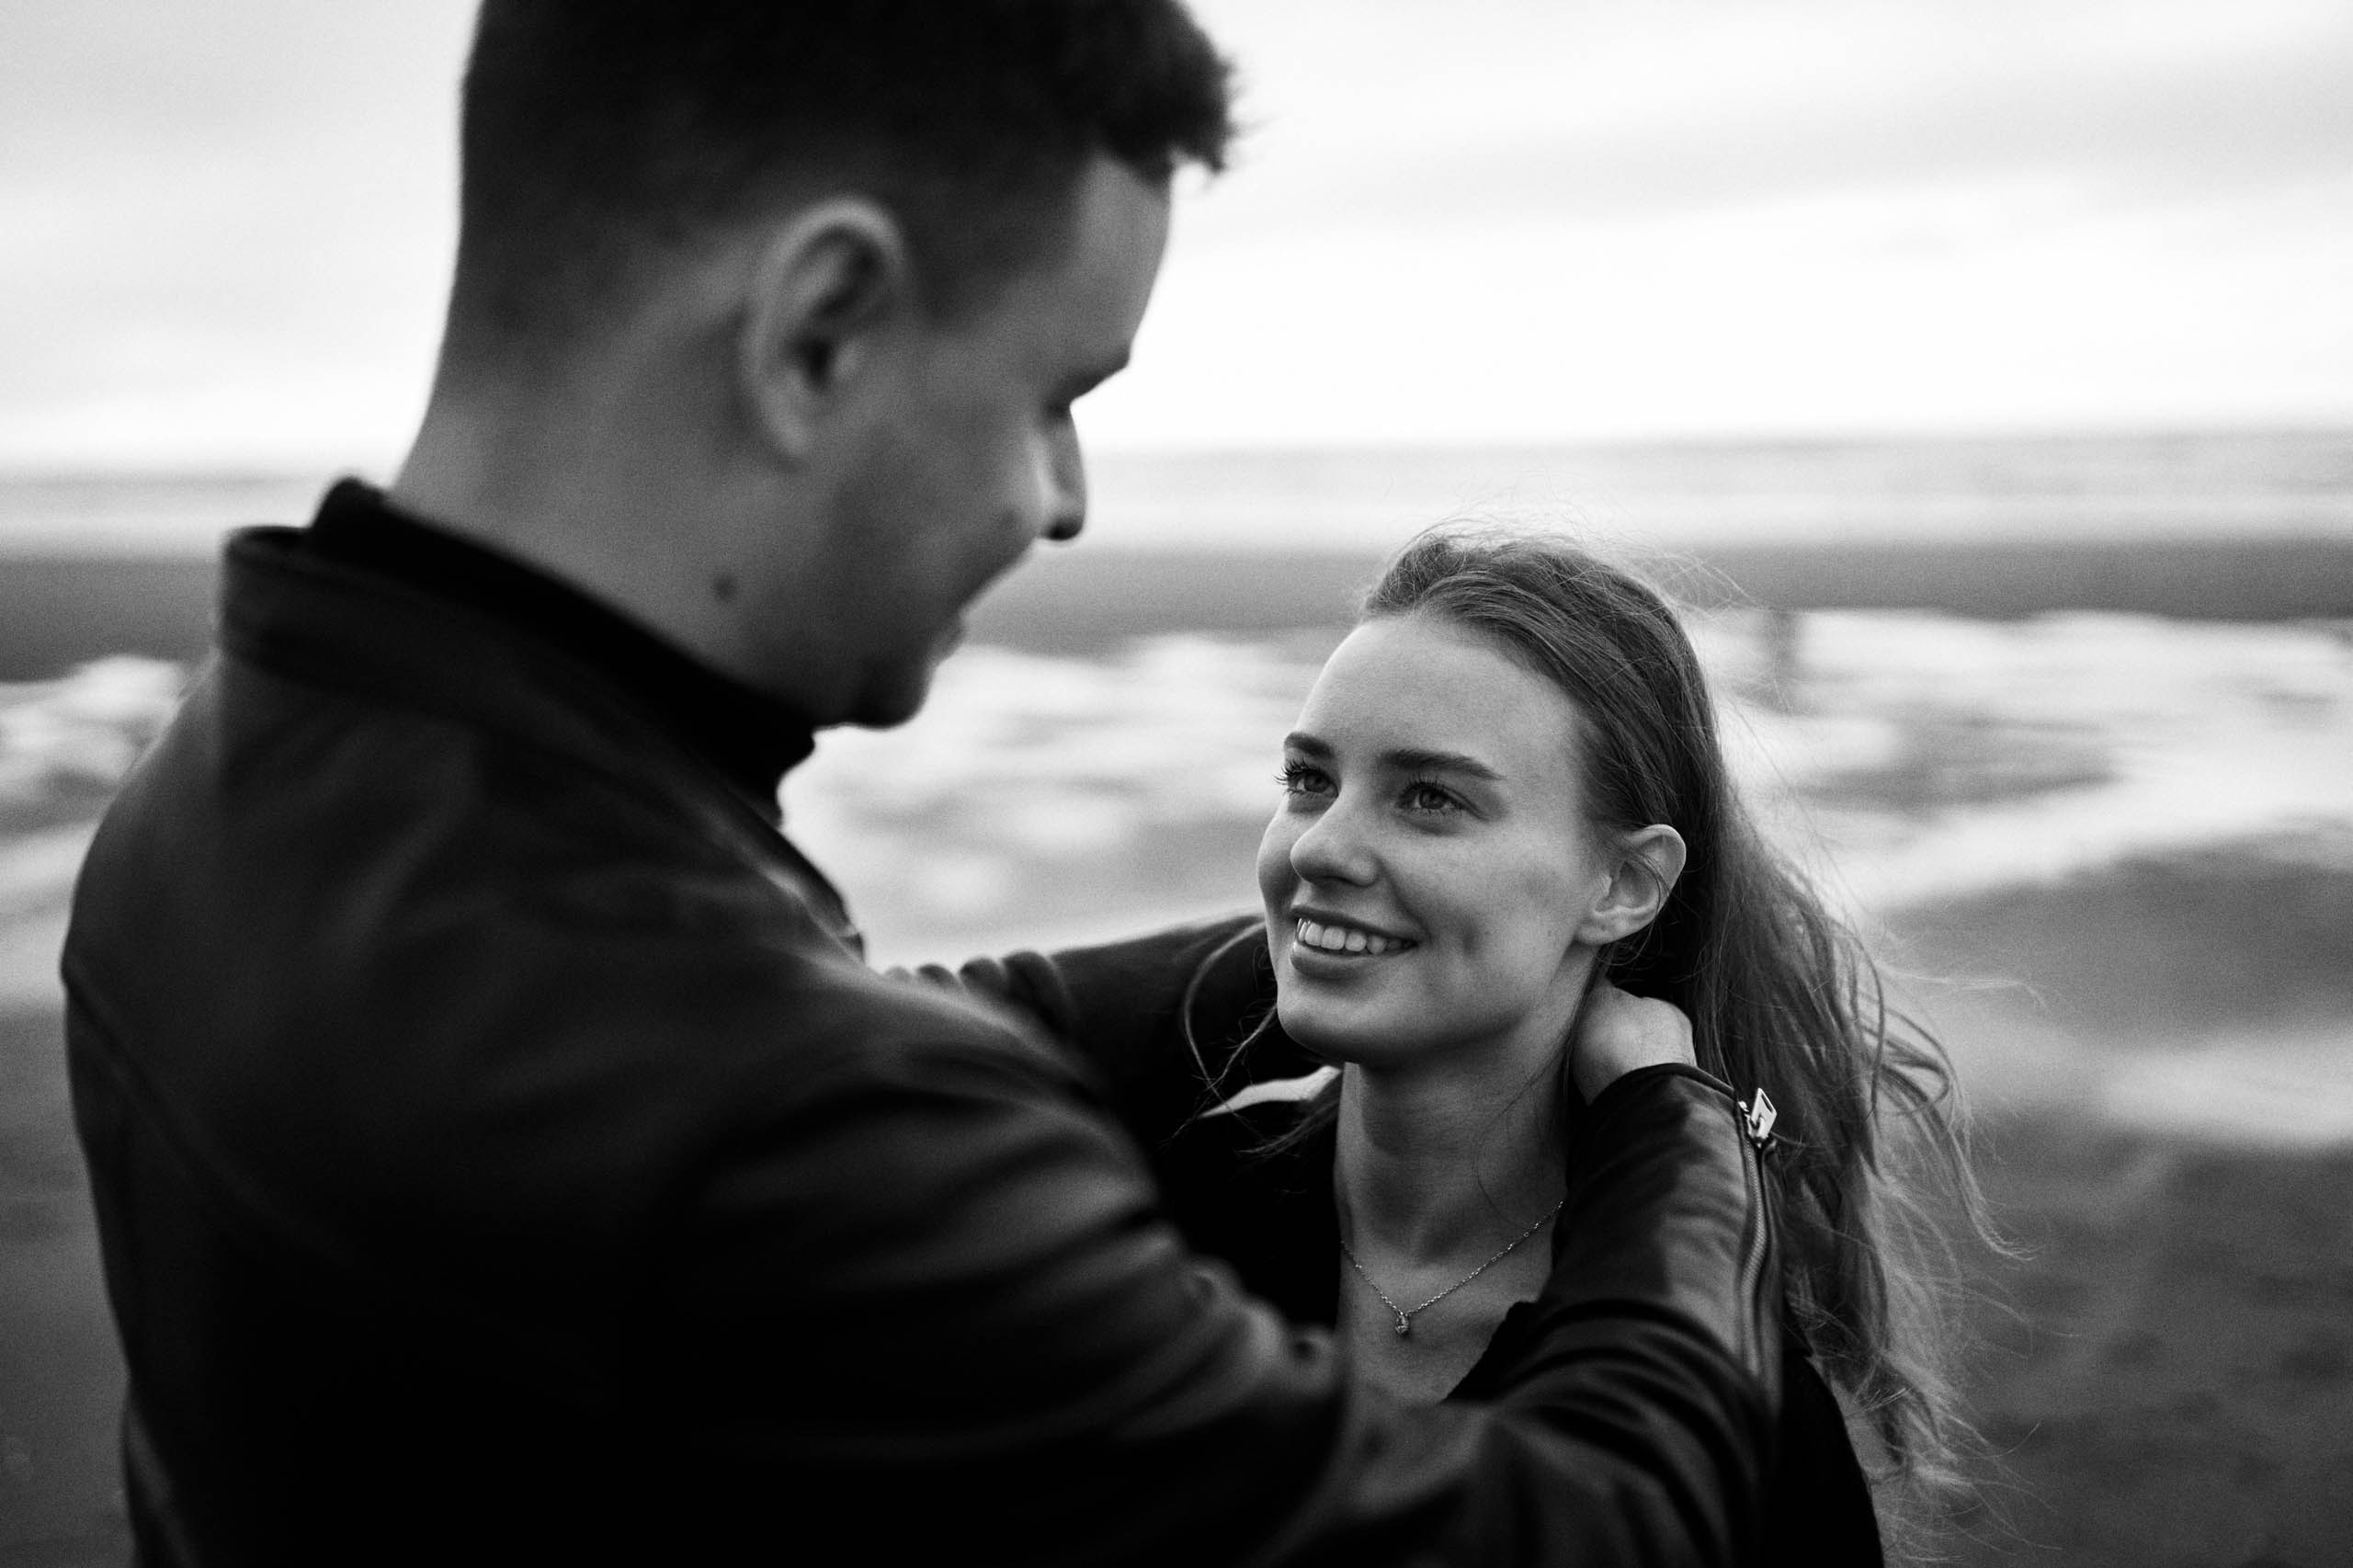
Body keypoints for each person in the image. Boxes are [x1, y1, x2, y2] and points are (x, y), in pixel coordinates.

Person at [63, 6, 1781, 1564]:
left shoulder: (223, 783)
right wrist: (1667, 1131)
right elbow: (1601, 1534)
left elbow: (898, 1025)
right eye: (1054, 395)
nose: (1064, 500)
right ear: (820, 332)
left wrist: (1345, 928)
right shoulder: (772, 1122)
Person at [926, 525, 1995, 1564]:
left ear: (1622, 884)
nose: (1323, 843)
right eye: (1308, 780)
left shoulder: (1731, 1388)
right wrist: (1387, 930)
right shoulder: (1154, 1233)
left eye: (1429, 797)